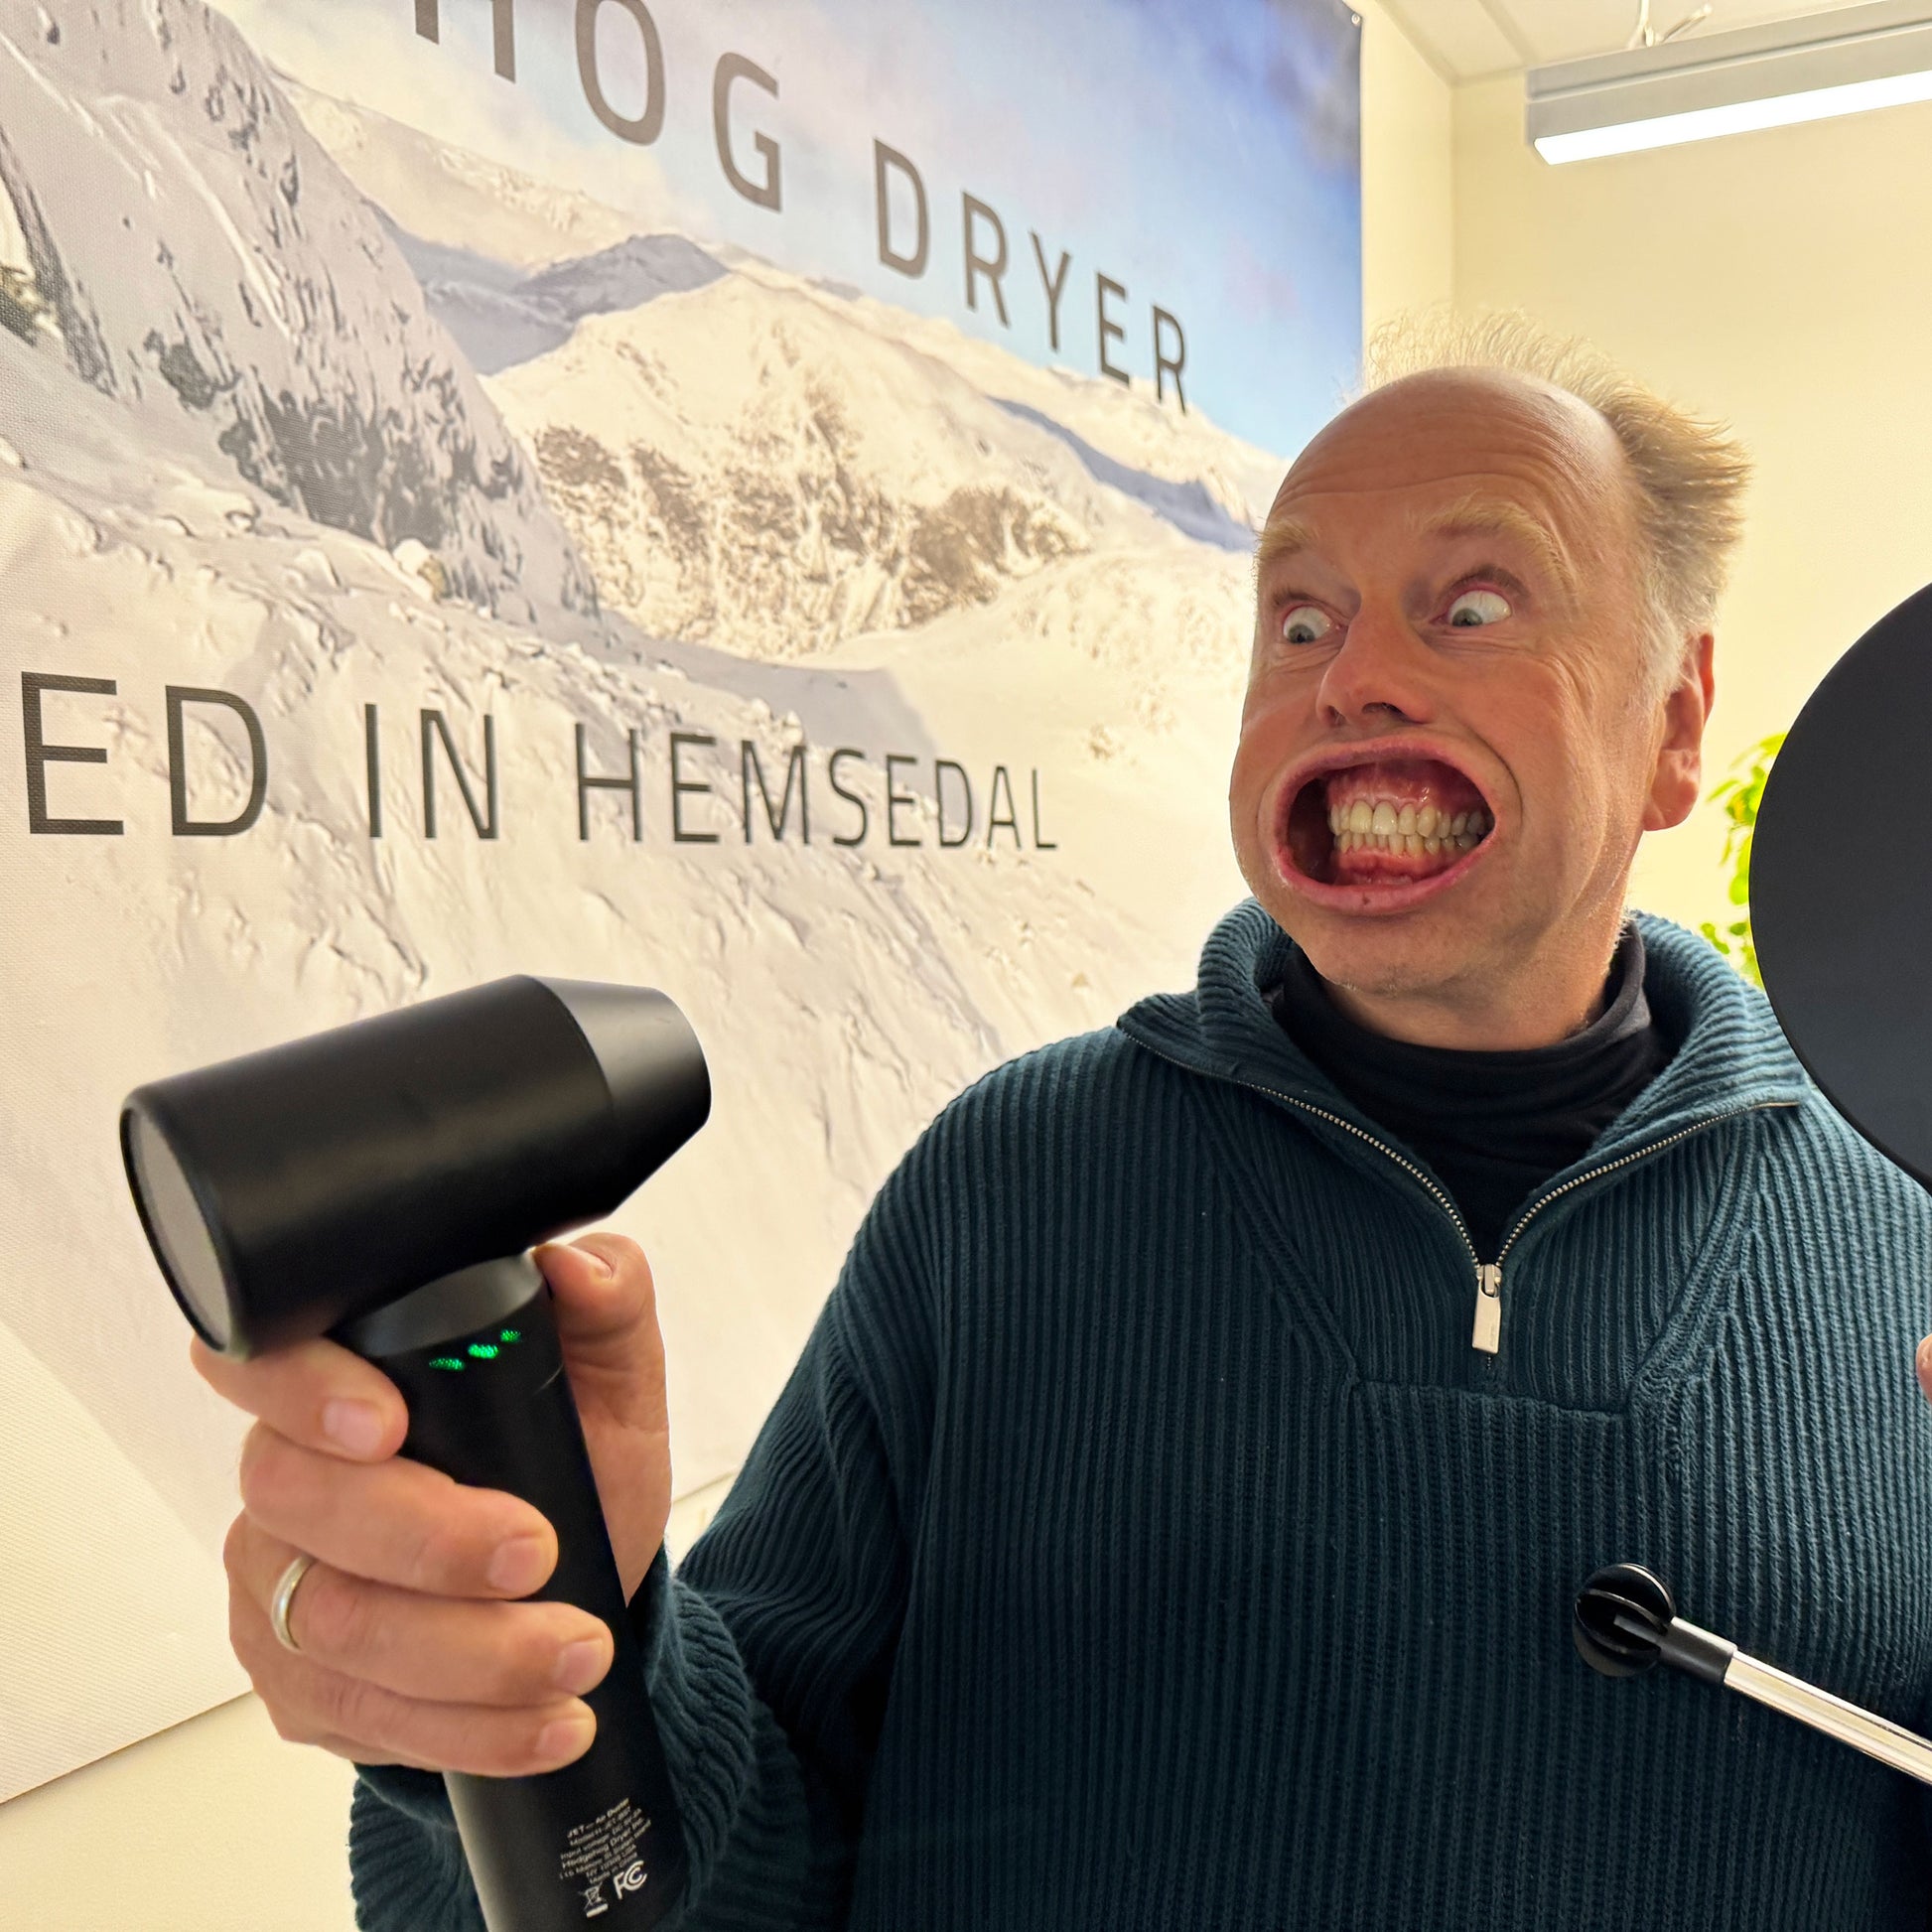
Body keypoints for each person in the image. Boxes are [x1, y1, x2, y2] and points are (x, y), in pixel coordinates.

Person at [192, 313, 1932, 1929]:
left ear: (1672, 727)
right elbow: (743, 1857)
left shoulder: (1902, 1242)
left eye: (1471, 607)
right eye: (1299, 620)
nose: (1350, 678)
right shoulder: (1007, 1187)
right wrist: (538, 1685)